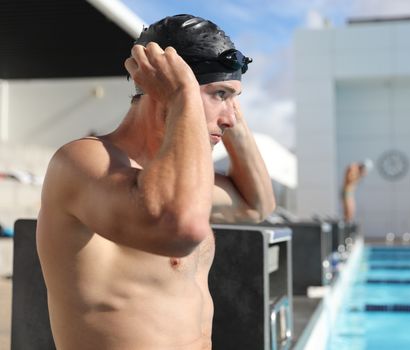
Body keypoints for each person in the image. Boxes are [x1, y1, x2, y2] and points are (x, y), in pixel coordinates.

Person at [36, 14, 275, 350]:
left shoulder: (182, 183)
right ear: (162, 89)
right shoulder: (83, 162)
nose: (230, 119)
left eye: (233, 100)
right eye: (219, 95)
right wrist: (183, 96)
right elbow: (178, 230)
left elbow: (257, 206)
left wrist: (226, 98)